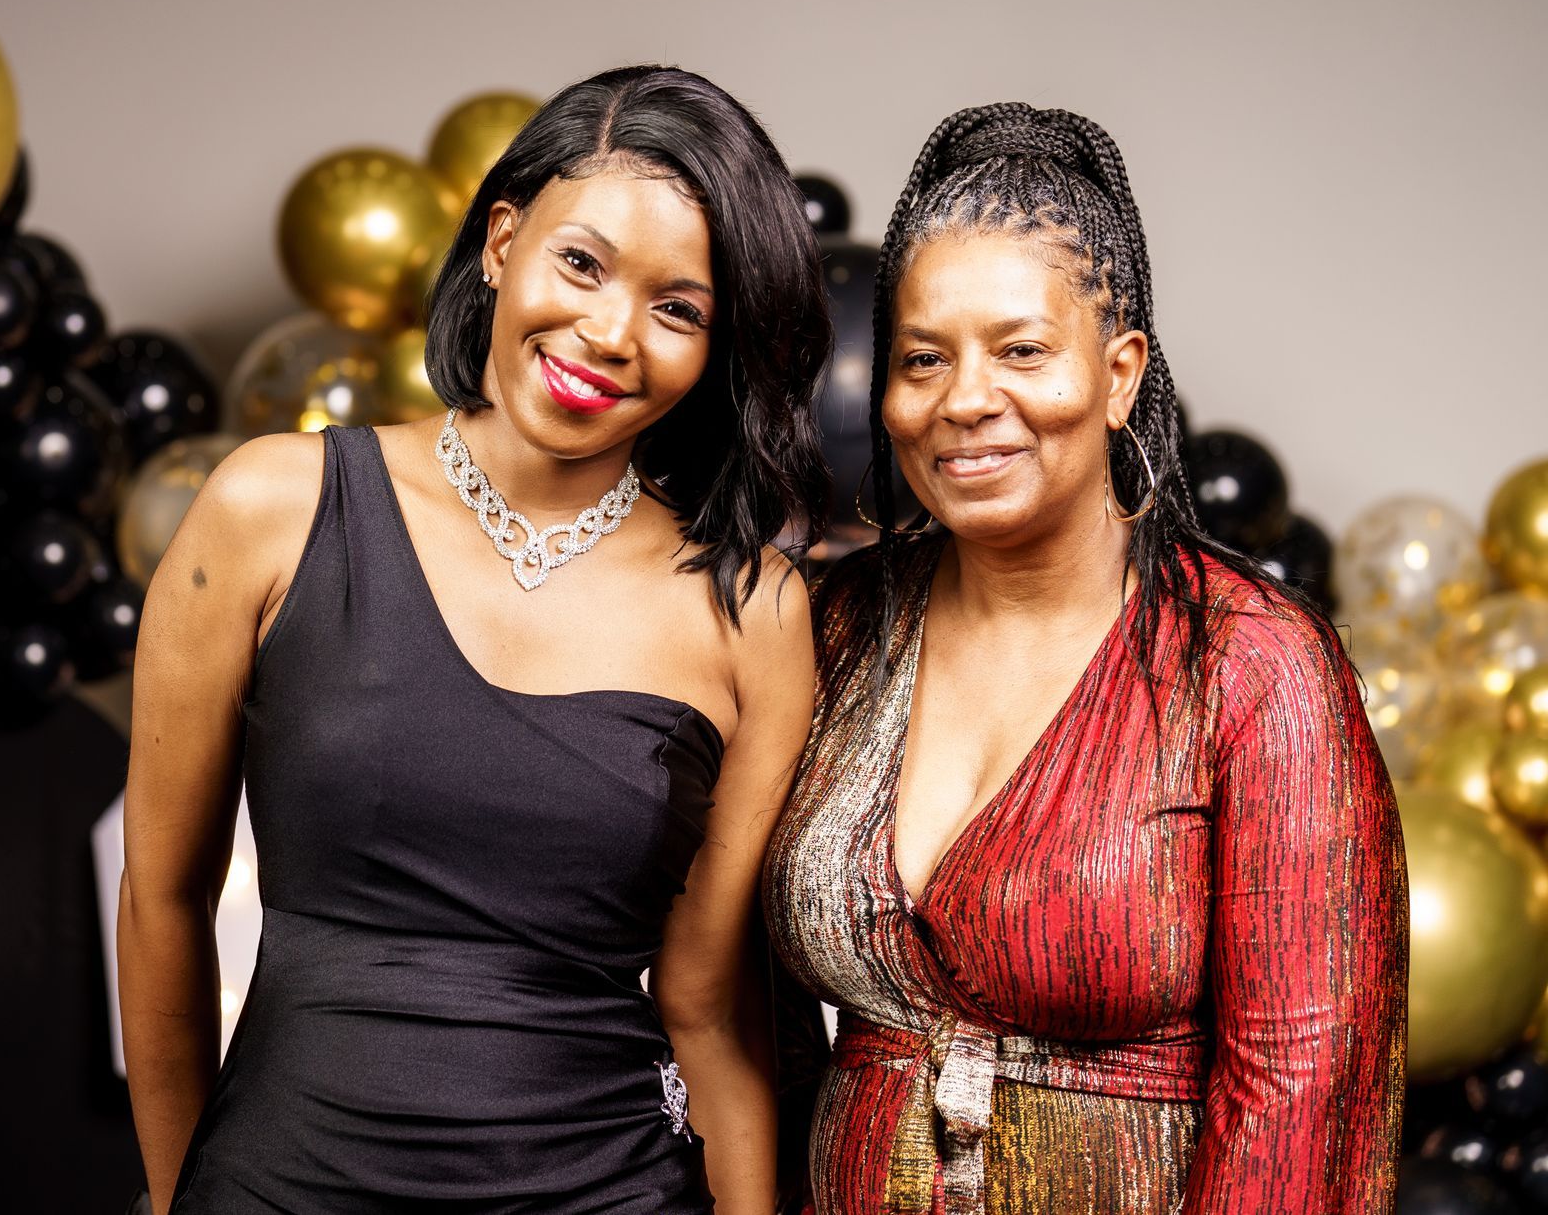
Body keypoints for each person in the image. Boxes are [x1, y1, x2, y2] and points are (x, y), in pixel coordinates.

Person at [119, 65, 832, 1213]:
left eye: (679, 307)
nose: (610, 331)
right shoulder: (271, 507)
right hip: (281, 1184)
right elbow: (162, 897)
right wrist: (171, 1194)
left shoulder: (752, 609)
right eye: (583, 262)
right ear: (503, 241)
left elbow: (708, 1005)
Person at [762, 103, 1407, 1214]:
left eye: (1021, 349)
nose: (965, 399)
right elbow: (748, 1013)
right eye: (924, 358)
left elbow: (1306, 1108)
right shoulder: (838, 630)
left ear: (1118, 373)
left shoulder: (1252, 663)